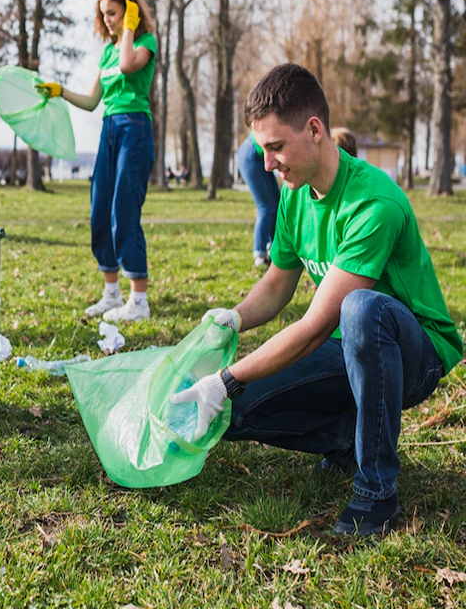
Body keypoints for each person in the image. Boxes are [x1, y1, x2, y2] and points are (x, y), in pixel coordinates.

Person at [173, 63, 463, 536]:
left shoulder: (374, 203)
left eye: (275, 147)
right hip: (350, 344)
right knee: (235, 411)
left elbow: (313, 327)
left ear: (314, 130)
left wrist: (226, 378)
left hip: (413, 355)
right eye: (262, 150)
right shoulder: (295, 192)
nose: (267, 164)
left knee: (361, 310)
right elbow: (277, 283)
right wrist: (234, 318)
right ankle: (349, 440)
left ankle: (376, 493)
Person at [37, 0, 157, 322]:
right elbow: (91, 102)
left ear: (129, 10)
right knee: (100, 209)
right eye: (103, 14)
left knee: (124, 210)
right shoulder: (107, 52)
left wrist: (131, 28)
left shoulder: (145, 42)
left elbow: (129, 66)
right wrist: (61, 91)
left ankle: (139, 301)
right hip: (108, 130)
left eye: (113, 13)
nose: (107, 20)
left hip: (134, 129)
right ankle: (111, 293)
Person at [237, 129, 281, 267]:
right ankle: (260, 255)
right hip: (251, 154)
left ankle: (275, 250)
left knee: (278, 204)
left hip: (259, 154)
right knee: (266, 208)